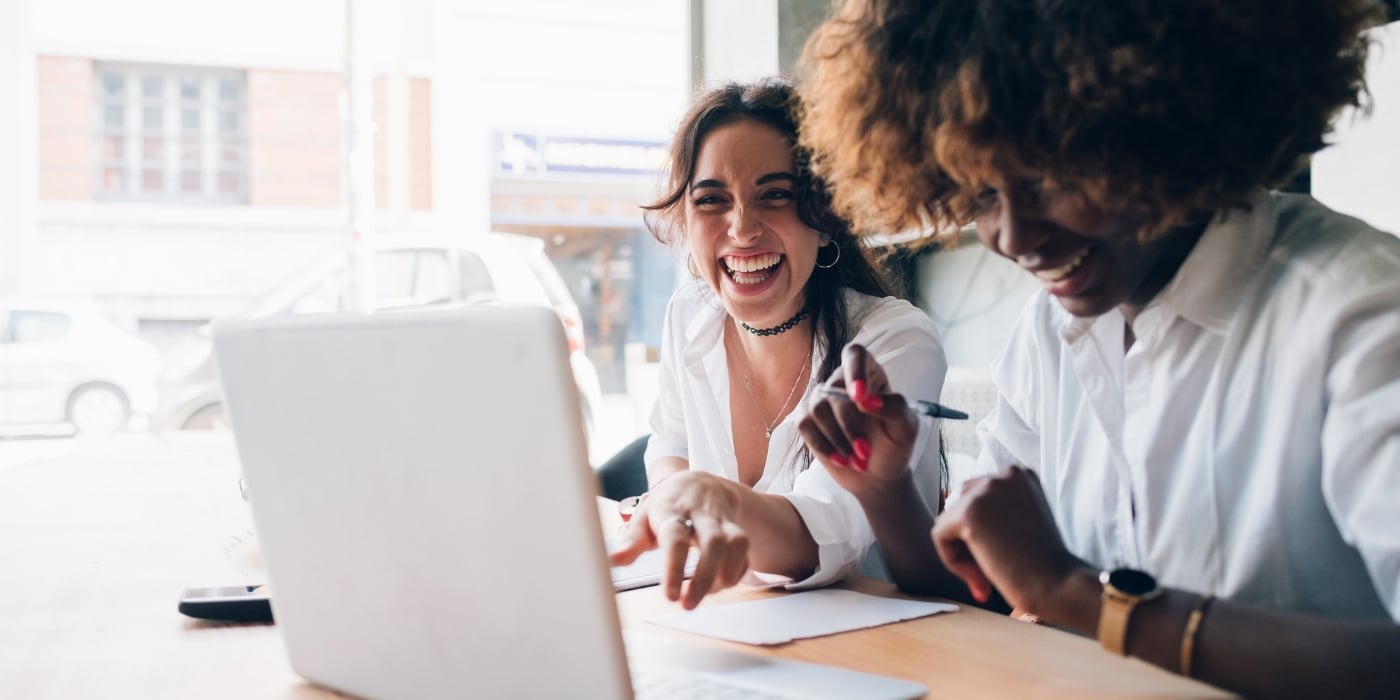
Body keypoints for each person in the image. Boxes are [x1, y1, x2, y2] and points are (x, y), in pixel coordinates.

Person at [795, 0, 1400, 697]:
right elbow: (985, 592)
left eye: (1051, 175)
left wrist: (1080, 594)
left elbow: (1052, 588)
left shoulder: (1360, 317)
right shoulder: (1047, 334)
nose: (1015, 238)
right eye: (984, 192)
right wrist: (886, 492)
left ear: (1165, 127)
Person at [608, 78, 946, 610]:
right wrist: (675, 498)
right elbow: (669, 443)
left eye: (775, 196)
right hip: (736, 625)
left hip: (882, 646)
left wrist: (714, 502)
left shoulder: (894, 341)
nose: (742, 229)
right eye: (713, 200)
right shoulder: (689, 314)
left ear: (826, 218)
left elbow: (829, 532)